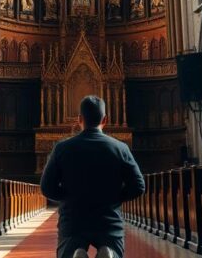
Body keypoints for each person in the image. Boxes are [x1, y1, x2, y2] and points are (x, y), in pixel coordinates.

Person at [41, 95, 145, 258]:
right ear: (105, 120)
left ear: (79, 119)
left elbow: (46, 187)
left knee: (67, 251)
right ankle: (109, 252)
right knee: (114, 249)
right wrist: (114, 197)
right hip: (108, 220)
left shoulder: (62, 148)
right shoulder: (120, 148)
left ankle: (76, 253)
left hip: (73, 220)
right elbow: (139, 186)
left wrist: (69, 196)